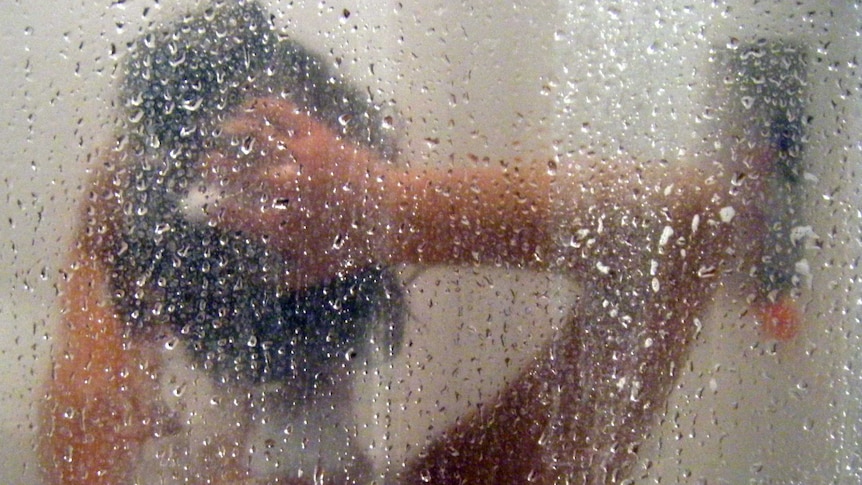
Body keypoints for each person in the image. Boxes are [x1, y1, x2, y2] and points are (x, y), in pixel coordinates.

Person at [39, 2, 788, 484]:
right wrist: (393, 212)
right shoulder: (108, 441)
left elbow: (691, 225)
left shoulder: (101, 448)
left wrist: (389, 207)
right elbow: (690, 228)